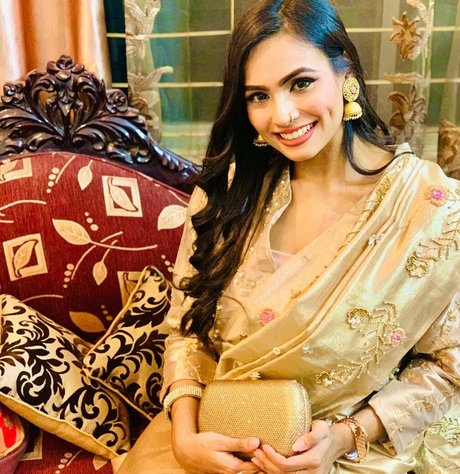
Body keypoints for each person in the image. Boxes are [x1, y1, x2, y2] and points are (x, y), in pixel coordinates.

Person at [117, 0, 459, 472]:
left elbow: (447, 366)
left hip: (348, 452)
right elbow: (186, 331)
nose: (282, 115)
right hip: (214, 439)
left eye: (301, 83)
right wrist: (184, 438)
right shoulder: (227, 196)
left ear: (345, 74)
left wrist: (344, 437)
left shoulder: (433, 210)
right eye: (258, 96)